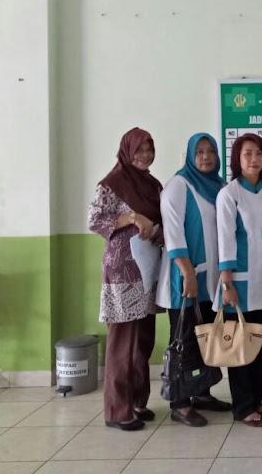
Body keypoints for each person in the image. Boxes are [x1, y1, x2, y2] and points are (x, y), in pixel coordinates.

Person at [88, 127, 163, 431]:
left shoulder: (154, 185)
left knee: (143, 340)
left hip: (148, 270)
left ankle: (136, 402)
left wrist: (158, 232)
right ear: (126, 151)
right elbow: (95, 219)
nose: (145, 155)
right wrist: (132, 217)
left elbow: (159, 221)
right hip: (122, 274)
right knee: (122, 342)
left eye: (149, 148)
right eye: (139, 149)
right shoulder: (112, 183)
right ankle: (117, 411)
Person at [157, 133, 232, 426]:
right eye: (199, 152)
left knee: (207, 339)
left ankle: (201, 392)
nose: (205, 157)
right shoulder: (178, 186)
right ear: (190, 155)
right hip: (185, 279)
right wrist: (187, 272)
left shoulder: (220, 186)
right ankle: (180, 402)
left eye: (210, 151)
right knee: (185, 338)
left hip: (212, 279)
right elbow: (173, 233)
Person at [216, 133, 262, 427]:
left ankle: (257, 398)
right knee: (241, 348)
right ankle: (243, 406)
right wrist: (227, 282)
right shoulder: (229, 194)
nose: (254, 159)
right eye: (247, 154)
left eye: (258, 153)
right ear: (237, 160)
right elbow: (225, 238)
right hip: (238, 283)